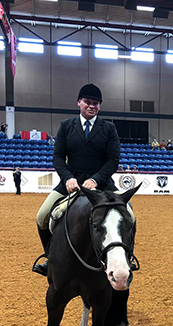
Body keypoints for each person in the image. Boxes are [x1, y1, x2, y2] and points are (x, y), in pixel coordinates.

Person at [33, 83, 124, 276]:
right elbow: (57, 157)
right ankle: (50, 258)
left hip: (101, 183)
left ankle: (127, 257)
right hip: (70, 182)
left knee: (129, 214)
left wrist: (96, 179)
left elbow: (113, 160)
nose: (92, 106)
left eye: (96, 103)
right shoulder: (66, 126)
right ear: (79, 103)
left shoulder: (109, 128)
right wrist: (67, 178)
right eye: (88, 102)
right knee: (42, 216)